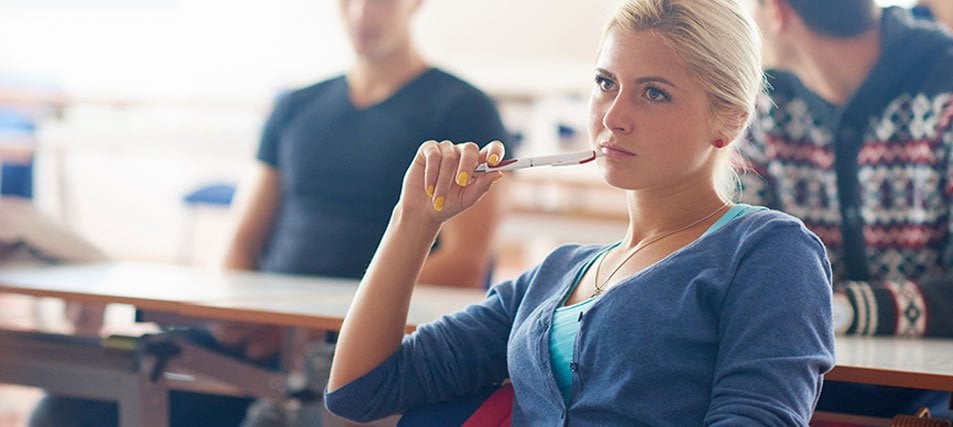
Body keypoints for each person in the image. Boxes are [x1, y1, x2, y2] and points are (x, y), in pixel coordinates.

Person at [325, 0, 834, 424]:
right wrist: (413, 221)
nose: (613, 116)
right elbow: (359, 390)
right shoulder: (553, 275)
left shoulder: (768, 251)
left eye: (654, 93)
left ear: (728, 122)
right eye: (605, 82)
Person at [27, 0, 511, 425]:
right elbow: (241, 242)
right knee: (64, 409)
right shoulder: (295, 108)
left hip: (352, 351)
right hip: (261, 339)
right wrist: (235, 317)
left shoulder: (462, 109)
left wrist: (322, 325)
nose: (363, 13)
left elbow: (463, 264)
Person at [745, 0, 953, 418]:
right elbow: (741, 263)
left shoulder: (945, 90)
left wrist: (840, 309)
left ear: (777, 12)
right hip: (818, 373)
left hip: (934, 386)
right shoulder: (762, 104)